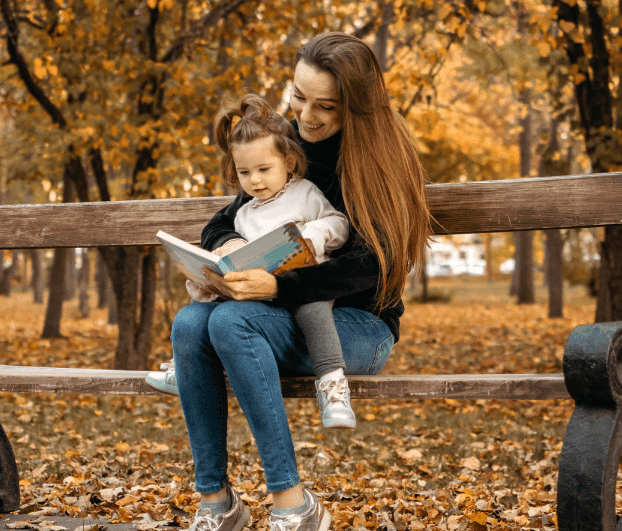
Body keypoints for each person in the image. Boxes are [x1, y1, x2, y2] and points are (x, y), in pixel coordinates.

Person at [165, 32, 430, 531]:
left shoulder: (379, 161)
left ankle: (293, 503)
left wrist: (279, 289)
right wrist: (223, 247)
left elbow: (373, 266)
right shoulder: (284, 142)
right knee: (189, 322)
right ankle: (216, 501)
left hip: (357, 325)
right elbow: (227, 217)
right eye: (298, 95)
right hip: (278, 315)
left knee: (231, 323)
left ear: (356, 107)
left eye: (325, 106)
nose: (306, 115)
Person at [146, 93, 360, 429]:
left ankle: (333, 387)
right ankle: (184, 368)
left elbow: (339, 223)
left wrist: (315, 234)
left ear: (289, 162)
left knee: (314, 308)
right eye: (245, 172)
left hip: (300, 284)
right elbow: (226, 237)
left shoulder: (304, 193)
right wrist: (224, 258)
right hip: (258, 294)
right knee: (203, 308)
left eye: (263, 169)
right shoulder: (244, 213)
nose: (254, 181)